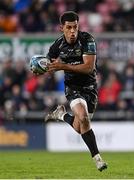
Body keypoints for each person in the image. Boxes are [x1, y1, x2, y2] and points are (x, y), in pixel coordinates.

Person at [45, 11, 107, 171]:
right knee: (83, 116)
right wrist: (42, 67)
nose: (73, 31)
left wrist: (63, 66)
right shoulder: (57, 45)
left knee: (81, 125)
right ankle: (98, 159)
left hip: (90, 88)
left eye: (75, 27)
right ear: (62, 28)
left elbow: (88, 67)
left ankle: (61, 115)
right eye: (69, 27)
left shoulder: (87, 40)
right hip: (72, 88)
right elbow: (48, 63)